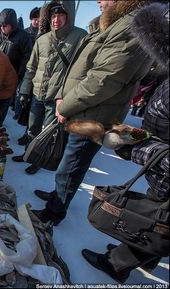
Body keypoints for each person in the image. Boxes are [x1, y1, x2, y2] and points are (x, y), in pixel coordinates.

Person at [31, 0, 156, 225]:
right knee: (67, 164)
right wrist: (63, 95)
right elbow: (78, 69)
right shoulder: (114, 23)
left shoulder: (131, 26)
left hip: (94, 115)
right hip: (81, 108)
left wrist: (66, 105)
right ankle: (57, 197)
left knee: (72, 166)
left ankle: (54, 213)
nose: (97, 1)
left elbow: (103, 79)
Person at [81, 2, 169, 283]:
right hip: (161, 169)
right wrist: (140, 135)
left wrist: (136, 149)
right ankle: (145, 254)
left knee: (157, 218)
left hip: (162, 168)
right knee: (160, 219)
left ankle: (116, 264)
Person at [12, 0, 88, 175]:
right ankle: (28, 154)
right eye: (53, 15)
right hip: (38, 94)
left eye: (61, 15)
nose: (56, 20)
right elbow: (31, 67)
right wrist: (24, 90)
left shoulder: (80, 37)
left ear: (69, 16)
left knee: (47, 132)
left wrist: (69, 97)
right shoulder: (43, 39)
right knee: (32, 128)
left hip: (57, 97)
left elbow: (83, 71)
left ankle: (38, 160)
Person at [0, 8, 33, 109]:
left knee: (3, 102)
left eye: (5, 25)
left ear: (12, 24)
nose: (2, 28)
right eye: (0, 25)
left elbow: (27, 58)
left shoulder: (23, 36)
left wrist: (18, 76)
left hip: (11, 76)